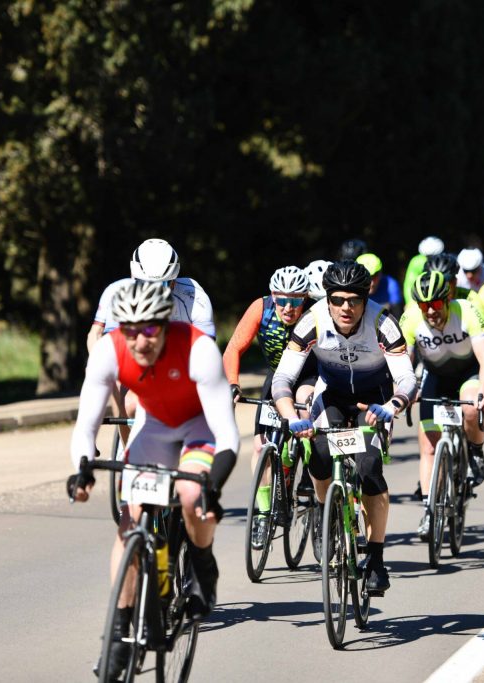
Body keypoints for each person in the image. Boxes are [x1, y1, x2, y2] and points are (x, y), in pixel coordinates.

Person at [68, 280, 239, 679]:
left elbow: (228, 435)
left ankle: (202, 564)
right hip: (156, 427)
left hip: (198, 425)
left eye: (149, 329)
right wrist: (82, 468)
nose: (140, 340)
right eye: (130, 330)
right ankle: (118, 632)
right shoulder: (109, 350)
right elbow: (86, 425)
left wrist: (213, 484)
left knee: (191, 492)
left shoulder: (197, 348)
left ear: (166, 323)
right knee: (129, 524)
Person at [272, 261, 416, 595]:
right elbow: (283, 377)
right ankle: (328, 514)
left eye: (354, 300)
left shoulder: (383, 322)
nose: (345, 308)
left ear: (366, 299)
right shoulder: (313, 320)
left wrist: (392, 406)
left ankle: (376, 560)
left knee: (369, 470)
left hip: (373, 401)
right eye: (337, 300)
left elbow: (407, 378)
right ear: (327, 299)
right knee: (319, 459)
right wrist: (292, 416)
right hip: (332, 397)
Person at [223, 267, 317, 549]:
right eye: (282, 300)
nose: (288, 308)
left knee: (304, 409)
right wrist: (233, 384)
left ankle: (307, 474)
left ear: (305, 299)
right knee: (259, 447)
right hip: (276, 377)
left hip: (309, 378)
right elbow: (234, 348)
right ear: (273, 297)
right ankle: (263, 514)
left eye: (295, 301)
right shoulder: (261, 308)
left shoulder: (315, 312)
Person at [87, 238, 216, 442]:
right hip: (138, 355)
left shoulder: (195, 298)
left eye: (162, 285)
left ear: (173, 281)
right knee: (125, 401)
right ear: (133, 277)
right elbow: (101, 340)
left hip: (180, 357)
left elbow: (205, 354)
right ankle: (129, 452)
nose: (153, 292)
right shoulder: (118, 294)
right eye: (145, 284)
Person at [400, 270, 484, 538]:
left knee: (471, 408)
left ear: (448, 298)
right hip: (435, 377)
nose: (430, 311)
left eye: (436, 304)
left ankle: (475, 451)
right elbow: (402, 362)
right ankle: (429, 511)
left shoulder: (467, 311)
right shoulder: (411, 317)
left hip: (468, 374)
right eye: (424, 306)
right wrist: (405, 391)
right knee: (429, 446)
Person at [357, 252, 404, 317]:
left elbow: (397, 316)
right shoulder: (349, 288)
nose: (372, 283)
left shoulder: (391, 285)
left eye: (375, 275)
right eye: (366, 277)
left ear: (380, 273)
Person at [404, 236, 445, 306]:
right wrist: (410, 303)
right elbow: (409, 284)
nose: (431, 259)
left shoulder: (445, 261)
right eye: (427, 256)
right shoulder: (416, 262)